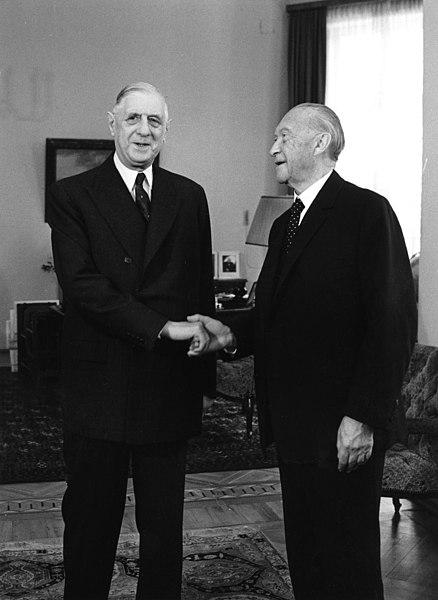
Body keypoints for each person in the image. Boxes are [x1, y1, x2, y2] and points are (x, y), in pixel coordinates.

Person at [188, 103, 417, 600]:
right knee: (308, 557)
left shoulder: (366, 211)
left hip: (343, 426)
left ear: (320, 142)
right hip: (294, 425)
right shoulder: (284, 224)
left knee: (348, 564)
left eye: (283, 136)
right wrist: (228, 334)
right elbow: (276, 315)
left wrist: (362, 417)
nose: (273, 148)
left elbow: (392, 326)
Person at [46, 82, 215, 600]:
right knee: (91, 526)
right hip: (100, 388)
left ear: (167, 131)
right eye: (134, 119)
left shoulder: (189, 195)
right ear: (112, 124)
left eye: (155, 122)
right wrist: (161, 328)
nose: (144, 131)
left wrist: (200, 370)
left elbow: (198, 286)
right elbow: (82, 289)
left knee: (163, 533)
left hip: (167, 388)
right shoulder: (72, 195)